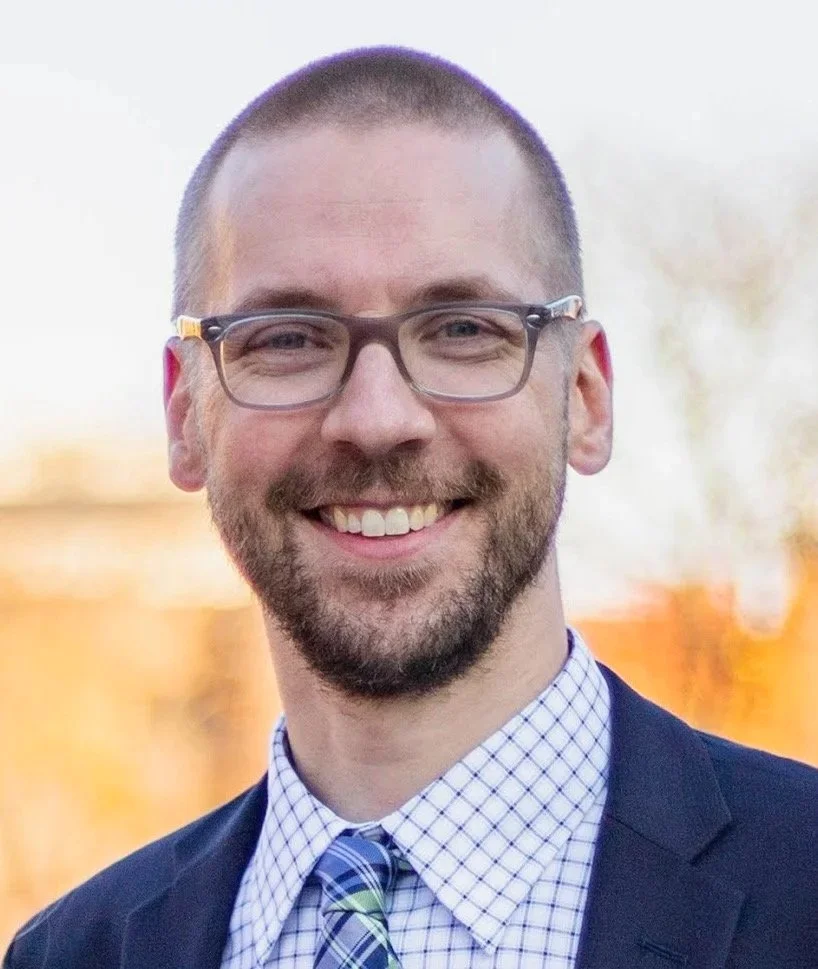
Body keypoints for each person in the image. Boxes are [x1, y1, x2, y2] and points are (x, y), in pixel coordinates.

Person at [5, 47, 817, 969]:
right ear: (185, 415)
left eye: (463, 329)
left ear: (587, 395)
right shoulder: (72, 954)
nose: (377, 418)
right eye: (290, 338)